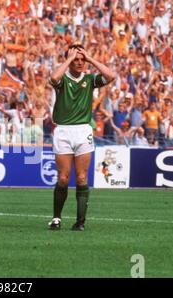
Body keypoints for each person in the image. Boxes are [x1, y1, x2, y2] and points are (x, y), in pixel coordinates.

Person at [48, 44, 115, 231]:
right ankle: (56, 218)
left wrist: (90, 58)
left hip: (83, 130)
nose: (79, 63)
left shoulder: (90, 79)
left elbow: (111, 76)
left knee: (82, 176)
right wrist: (68, 59)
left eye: (81, 59)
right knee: (63, 177)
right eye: (75, 59)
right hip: (63, 131)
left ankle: (80, 222)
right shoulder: (62, 80)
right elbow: (53, 78)